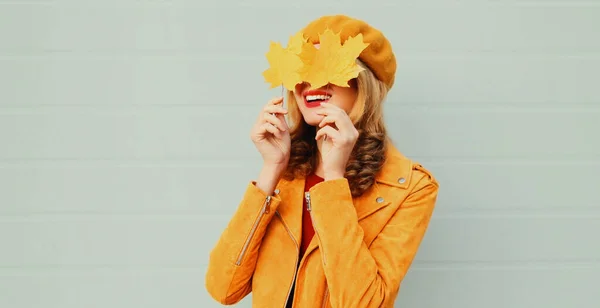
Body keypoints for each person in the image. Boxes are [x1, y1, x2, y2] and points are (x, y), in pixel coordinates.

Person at [205, 14, 440, 308]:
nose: (308, 83)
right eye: (299, 70)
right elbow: (222, 287)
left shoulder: (411, 188)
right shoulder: (286, 172)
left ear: (363, 82)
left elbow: (364, 304)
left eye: (325, 66)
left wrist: (333, 180)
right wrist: (272, 169)